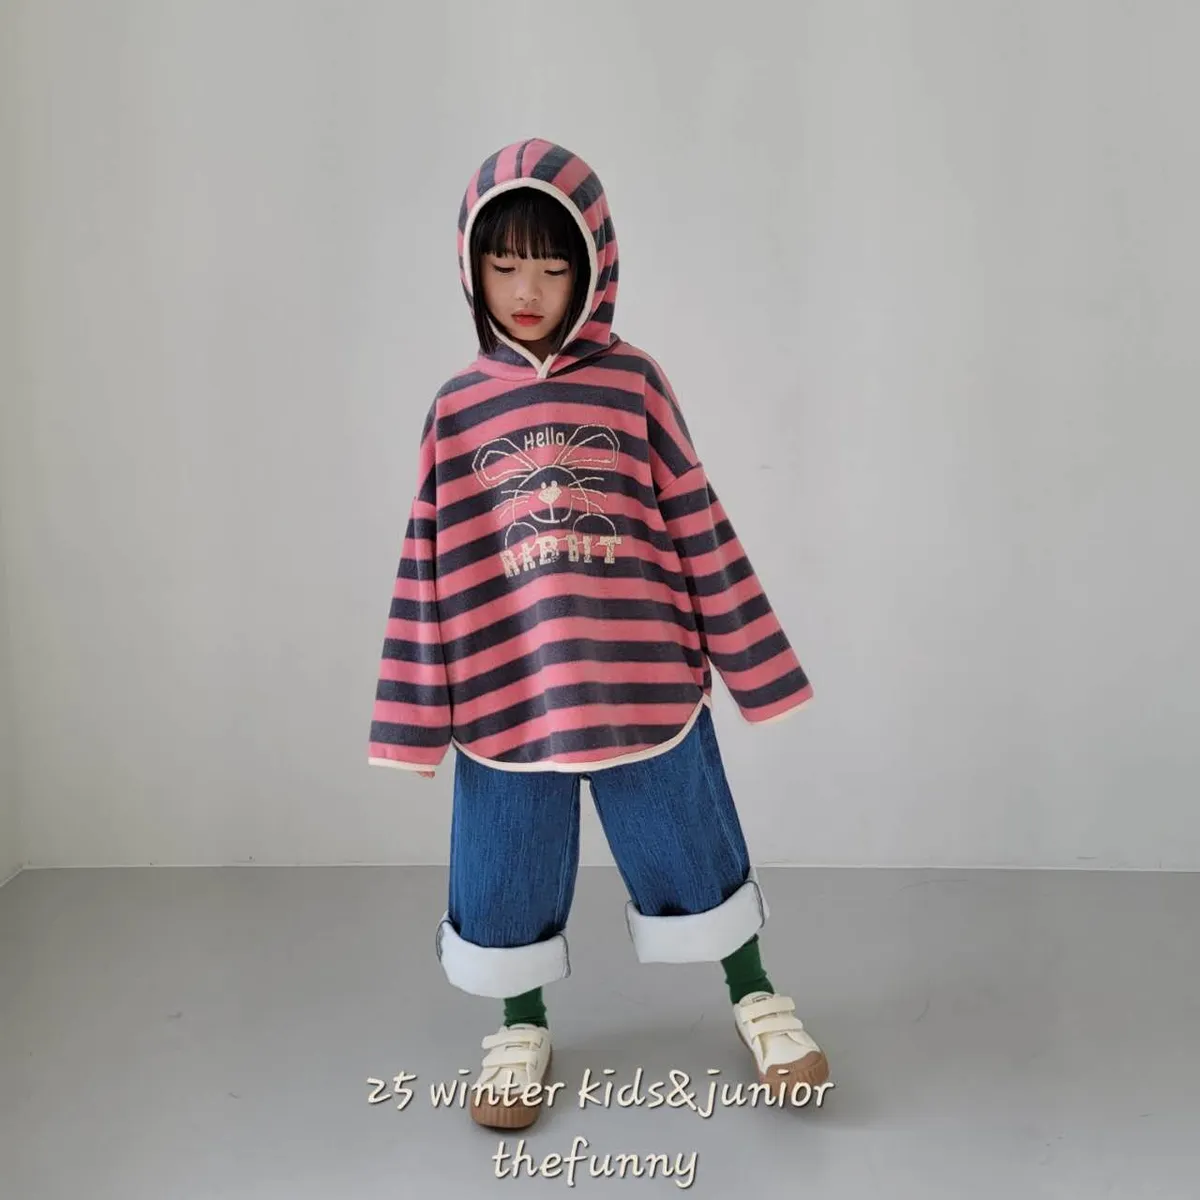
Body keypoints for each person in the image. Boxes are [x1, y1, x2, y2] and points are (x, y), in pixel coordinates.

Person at [368, 139, 828, 1129]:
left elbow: (698, 522)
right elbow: (424, 566)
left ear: (594, 267)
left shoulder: (634, 384)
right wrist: (411, 720)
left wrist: (755, 666)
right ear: (473, 269)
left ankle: (755, 994)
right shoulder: (456, 410)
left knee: (695, 847)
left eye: (551, 265)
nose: (527, 290)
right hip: (508, 690)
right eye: (504, 265)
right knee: (504, 869)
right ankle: (519, 1023)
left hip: (643, 678)